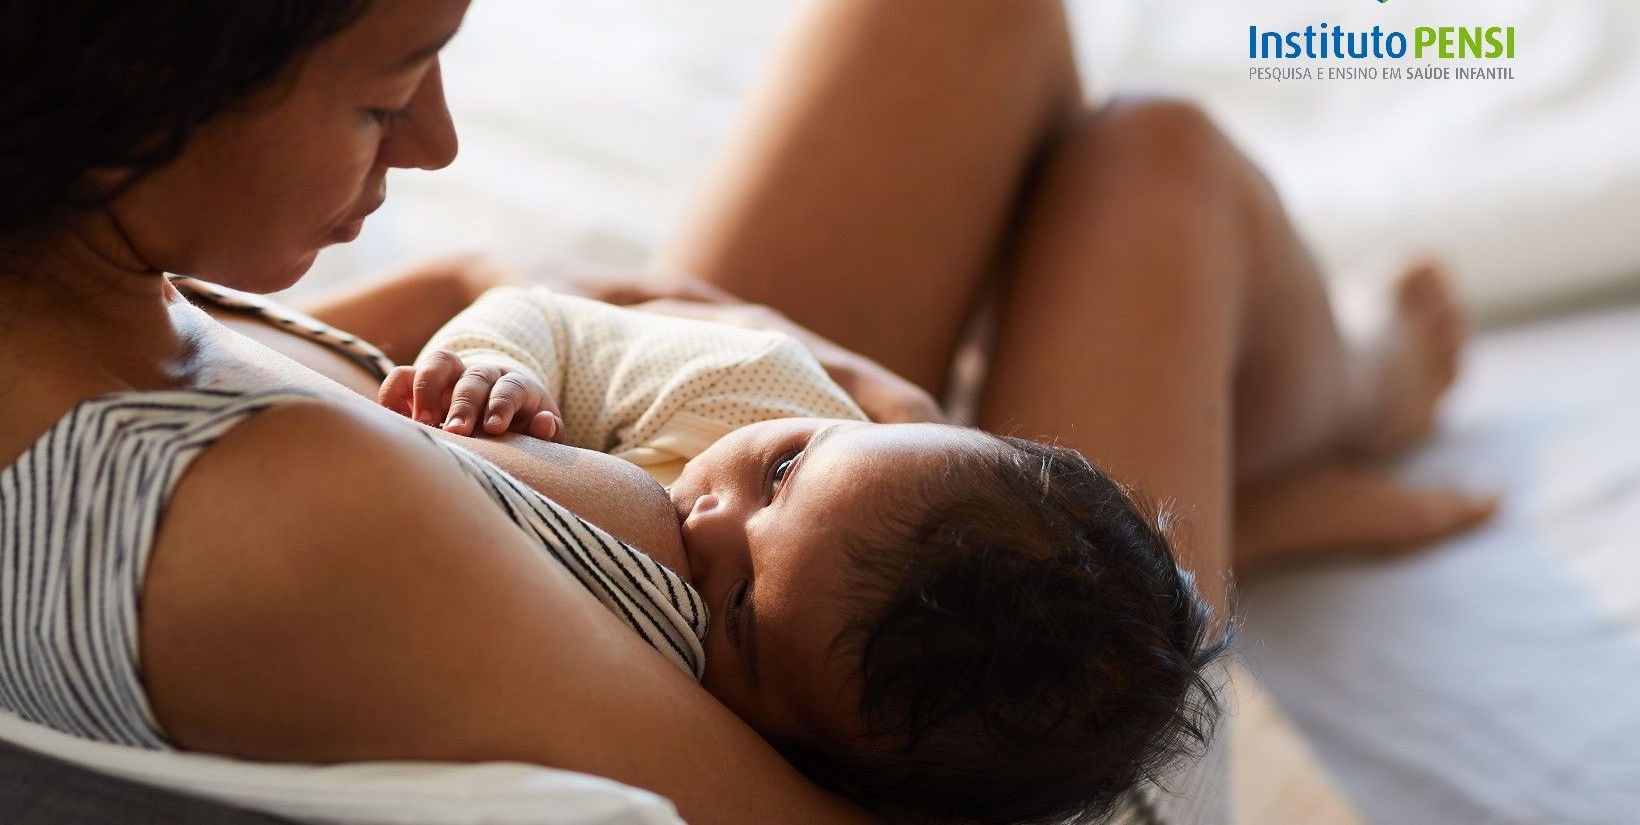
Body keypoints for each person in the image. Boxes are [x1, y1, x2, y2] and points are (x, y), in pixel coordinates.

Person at [0, 0, 1491, 820]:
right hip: (1018, 698)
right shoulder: (278, 537)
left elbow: (414, 344)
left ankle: (1265, 451)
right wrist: (894, 420)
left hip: (718, 507)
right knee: (1147, 167)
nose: (439, 136)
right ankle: (1314, 428)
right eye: (386, 93)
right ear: (129, 92)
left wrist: (534, 333)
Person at [380, 284, 1225, 821]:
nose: (707, 522)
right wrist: (499, 366)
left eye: (742, 606)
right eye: (781, 471)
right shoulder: (758, 390)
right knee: (1153, 141)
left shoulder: (758, 748)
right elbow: (550, 318)